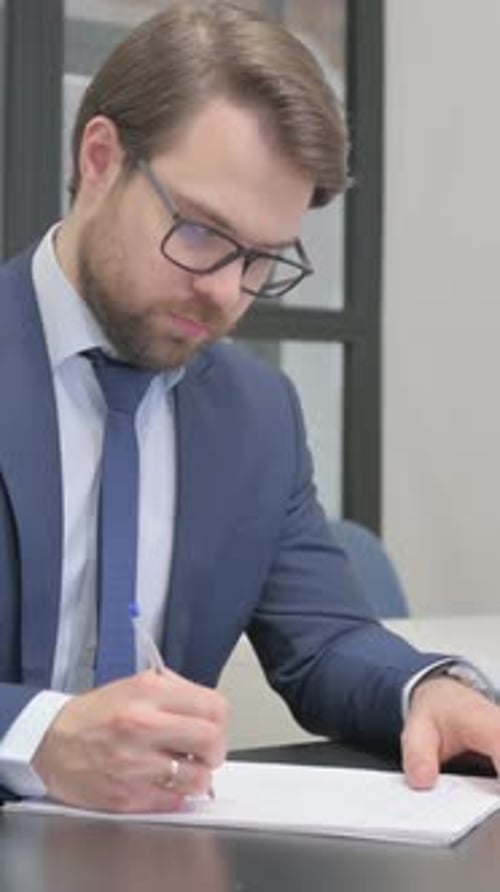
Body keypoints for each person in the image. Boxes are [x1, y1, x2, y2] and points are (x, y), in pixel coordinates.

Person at [0, 0, 499, 814]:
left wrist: (425, 691)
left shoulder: (256, 415)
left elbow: (326, 638)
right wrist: (38, 735)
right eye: (200, 232)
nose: (228, 292)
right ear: (99, 158)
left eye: (265, 259)